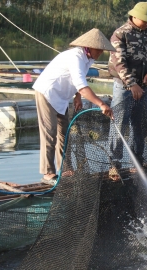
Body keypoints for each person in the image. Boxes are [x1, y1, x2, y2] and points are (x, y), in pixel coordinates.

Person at [33, 28, 115, 184]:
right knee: (49, 133)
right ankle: (48, 173)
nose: (100, 53)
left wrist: (77, 96)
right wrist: (101, 104)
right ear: (89, 47)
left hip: (62, 97)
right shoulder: (75, 57)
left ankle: (66, 169)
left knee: (64, 133)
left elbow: (79, 80)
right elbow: (82, 85)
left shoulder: (87, 59)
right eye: (99, 49)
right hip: (48, 92)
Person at [107, 2, 147, 181]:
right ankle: (115, 165)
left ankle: (137, 162)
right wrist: (131, 84)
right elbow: (119, 62)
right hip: (124, 87)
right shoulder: (120, 34)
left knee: (141, 125)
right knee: (119, 125)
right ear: (134, 17)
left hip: (143, 87)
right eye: (145, 20)